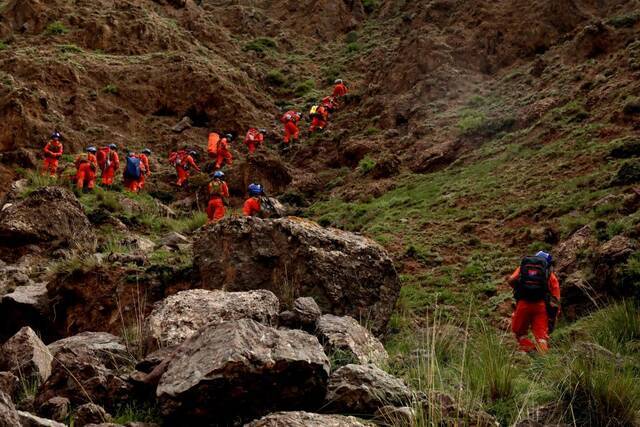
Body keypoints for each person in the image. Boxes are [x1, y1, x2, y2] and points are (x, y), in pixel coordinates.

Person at [507, 251, 561, 353]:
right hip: (541, 307)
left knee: (518, 332)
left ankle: (531, 350)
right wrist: (554, 316)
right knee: (541, 337)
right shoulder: (550, 275)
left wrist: (519, 289)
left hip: (523, 304)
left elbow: (511, 280)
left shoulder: (523, 268)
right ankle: (543, 361)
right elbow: (556, 299)